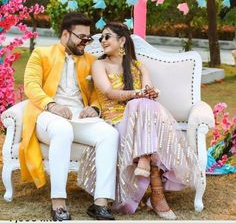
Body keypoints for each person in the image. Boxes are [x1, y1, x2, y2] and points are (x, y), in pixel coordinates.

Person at [91, 22, 204, 220]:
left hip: (141, 123)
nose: (102, 41)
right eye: (101, 38)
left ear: (122, 40)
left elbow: (148, 93)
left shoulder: (138, 66)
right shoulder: (99, 65)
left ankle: (146, 160)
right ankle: (157, 196)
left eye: (107, 36)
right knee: (139, 102)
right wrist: (138, 93)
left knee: (143, 102)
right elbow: (109, 92)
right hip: (116, 121)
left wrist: (151, 92)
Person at [19, 13, 119, 221]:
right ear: (65, 34)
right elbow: (31, 85)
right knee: (63, 129)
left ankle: (100, 203)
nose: (86, 42)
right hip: (46, 114)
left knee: (109, 134)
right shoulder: (41, 54)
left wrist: (94, 108)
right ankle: (59, 204)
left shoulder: (91, 61)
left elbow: (97, 93)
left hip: (79, 116)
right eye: (81, 37)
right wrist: (52, 105)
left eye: (89, 38)